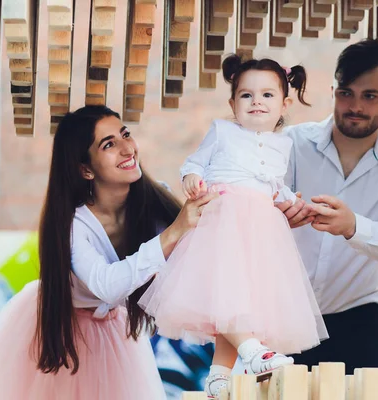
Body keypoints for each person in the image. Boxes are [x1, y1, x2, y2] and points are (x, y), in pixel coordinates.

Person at [0, 105, 220, 399]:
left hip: (113, 331)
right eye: (109, 144)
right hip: (58, 329)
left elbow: (208, 248)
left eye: (125, 135)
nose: (127, 148)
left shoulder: (152, 202)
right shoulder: (74, 225)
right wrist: (175, 231)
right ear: (85, 168)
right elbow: (108, 285)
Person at [138, 54, 329, 398]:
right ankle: (253, 351)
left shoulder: (282, 144)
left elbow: (272, 182)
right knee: (230, 296)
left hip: (262, 231)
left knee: (241, 300)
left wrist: (290, 199)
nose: (257, 102)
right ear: (233, 103)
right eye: (247, 95)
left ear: (284, 104)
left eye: (268, 95)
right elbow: (194, 162)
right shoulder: (222, 131)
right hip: (224, 223)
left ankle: (218, 376)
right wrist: (193, 177)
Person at [277, 39, 378, 374]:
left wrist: (353, 227)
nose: (355, 106)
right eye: (346, 92)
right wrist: (277, 217)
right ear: (333, 91)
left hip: (359, 322)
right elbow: (259, 211)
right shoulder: (292, 143)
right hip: (283, 314)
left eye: (370, 96)